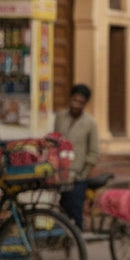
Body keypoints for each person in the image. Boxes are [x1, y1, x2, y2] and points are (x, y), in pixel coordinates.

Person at [53, 83, 100, 229]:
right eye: (74, 100)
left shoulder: (90, 123)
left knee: (75, 209)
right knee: (60, 209)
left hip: (78, 175)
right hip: (60, 172)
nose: (76, 105)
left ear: (85, 103)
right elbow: (55, 141)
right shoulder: (60, 117)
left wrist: (83, 173)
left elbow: (93, 152)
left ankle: (76, 242)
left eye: (80, 102)